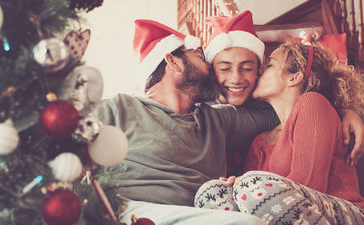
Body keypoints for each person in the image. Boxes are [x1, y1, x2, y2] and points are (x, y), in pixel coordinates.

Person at [92, 19, 280, 225]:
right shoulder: (119, 108)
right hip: (129, 210)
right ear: (173, 62)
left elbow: (274, 112)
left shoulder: (217, 119)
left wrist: (242, 86)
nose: (210, 66)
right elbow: (58, 140)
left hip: (199, 214)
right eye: (199, 55)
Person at [194, 39, 364, 224]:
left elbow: (309, 185)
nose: (260, 72)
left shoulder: (313, 103)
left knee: (249, 185)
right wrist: (237, 187)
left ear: (294, 77)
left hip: (348, 215)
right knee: (213, 194)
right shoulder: (260, 140)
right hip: (287, 216)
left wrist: (249, 187)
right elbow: (249, 198)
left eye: (269, 66)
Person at [203, 10, 364, 167]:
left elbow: (308, 109)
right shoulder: (200, 108)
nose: (236, 79)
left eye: (247, 68)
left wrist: (344, 111)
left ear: (258, 71)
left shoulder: (270, 109)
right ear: (211, 72)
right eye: (225, 69)